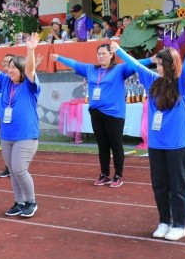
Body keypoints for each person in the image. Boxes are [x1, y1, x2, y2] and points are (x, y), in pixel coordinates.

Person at [110, 23, 185, 242]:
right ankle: (164, 220)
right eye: (157, 63)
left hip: (177, 144)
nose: (158, 67)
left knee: (178, 186)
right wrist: (119, 52)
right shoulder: (152, 81)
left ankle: (180, 224)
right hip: (156, 145)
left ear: (171, 64)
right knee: (159, 185)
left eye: (162, 63)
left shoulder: (181, 85)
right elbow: (136, 65)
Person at [52, 45, 152, 188]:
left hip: (114, 114)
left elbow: (136, 64)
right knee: (102, 146)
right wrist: (59, 58)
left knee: (116, 144)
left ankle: (118, 175)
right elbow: (74, 63)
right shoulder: (91, 69)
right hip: (96, 113)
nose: (100, 56)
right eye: (98, 54)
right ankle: (104, 174)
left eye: (104, 54)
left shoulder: (119, 69)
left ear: (111, 55)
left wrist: (151, 59)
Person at [0, 33, 41, 218]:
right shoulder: (4, 83)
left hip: (26, 136)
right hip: (7, 136)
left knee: (19, 169)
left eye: (13, 68)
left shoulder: (29, 85)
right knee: (12, 170)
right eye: (8, 67)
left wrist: (30, 50)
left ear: (20, 69)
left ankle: (31, 202)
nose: (9, 70)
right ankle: (19, 202)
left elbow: (31, 70)